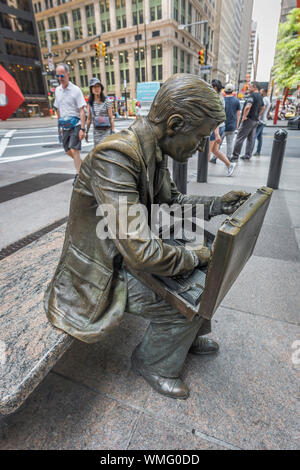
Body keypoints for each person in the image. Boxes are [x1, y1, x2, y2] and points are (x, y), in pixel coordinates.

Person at [44, 74, 249, 400]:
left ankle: (188, 337)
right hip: (101, 269)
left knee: (209, 268)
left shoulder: (151, 150)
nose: (200, 147)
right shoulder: (117, 157)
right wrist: (194, 256)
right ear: (175, 122)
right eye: (198, 138)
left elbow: (173, 202)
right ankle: (153, 363)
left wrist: (216, 205)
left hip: (124, 250)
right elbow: (141, 253)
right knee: (182, 298)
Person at [54, 63, 86, 184]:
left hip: (76, 124)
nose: (60, 78)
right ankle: (85, 167)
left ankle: (78, 176)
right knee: (67, 150)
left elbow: (82, 110)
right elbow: (58, 109)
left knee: (74, 149)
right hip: (65, 125)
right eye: (58, 75)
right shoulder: (57, 91)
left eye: (62, 75)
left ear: (68, 74)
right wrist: (60, 126)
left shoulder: (75, 90)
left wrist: (82, 128)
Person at [230, 81, 265, 161]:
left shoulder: (252, 96)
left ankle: (235, 156)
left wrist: (244, 117)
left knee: (240, 137)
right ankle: (247, 155)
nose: (248, 87)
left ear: (254, 87)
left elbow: (248, 107)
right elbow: (263, 107)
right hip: (255, 120)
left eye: (249, 86)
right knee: (251, 139)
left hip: (248, 120)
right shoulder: (260, 96)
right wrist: (258, 115)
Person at [209, 79, 236, 177]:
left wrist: (216, 134)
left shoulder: (216, 98)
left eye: (210, 86)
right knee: (215, 151)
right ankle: (230, 165)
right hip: (220, 126)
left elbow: (216, 117)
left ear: (215, 87)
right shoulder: (220, 97)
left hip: (216, 127)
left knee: (207, 154)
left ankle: (202, 174)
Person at [85, 78, 114, 146]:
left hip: (107, 131)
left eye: (98, 86)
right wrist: (86, 132)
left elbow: (111, 118)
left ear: (101, 88)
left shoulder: (107, 101)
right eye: (94, 87)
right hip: (96, 133)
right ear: (91, 89)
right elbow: (89, 119)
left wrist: (112, 130)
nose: (96, 88)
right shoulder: (90, 103)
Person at [222, 83, 241, 159]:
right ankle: (228, 157)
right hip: (232, 126)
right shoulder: (236, 101)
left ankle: (214, 157)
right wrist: (237, 125)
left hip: (222, 125)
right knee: (229, 143)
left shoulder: (222, 100)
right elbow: (238, 114)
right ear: (232, 91)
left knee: (218, 143)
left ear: (225, 91)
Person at [253, 89, 271, 157]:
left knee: (254, 136)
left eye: (260, 92)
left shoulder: (264, 99)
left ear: (264, 92)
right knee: (259, 137)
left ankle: (250, 152)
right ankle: (258, 151)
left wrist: (258, 116)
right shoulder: (267, 99)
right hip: (263, 120)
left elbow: (262, 108)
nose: (259, 93)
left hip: (261, 121)